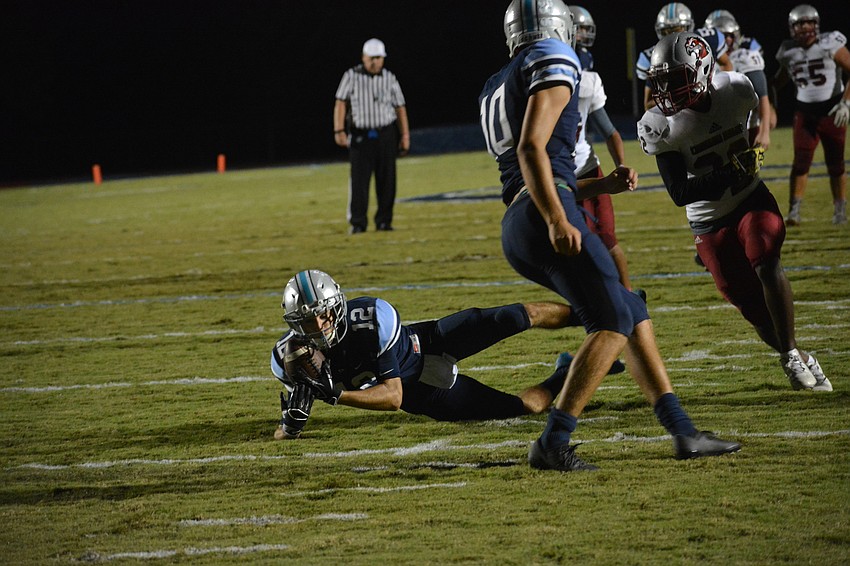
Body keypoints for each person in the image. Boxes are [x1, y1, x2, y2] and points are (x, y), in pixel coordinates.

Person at [478, 0, 740, 471]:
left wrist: (599, 188)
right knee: (612, 321)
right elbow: (532, 149)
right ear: (558, 26)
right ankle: (554, 441)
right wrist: (557, 217)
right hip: (544, 212)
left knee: (630, 309)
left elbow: (534, 171)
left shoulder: (495, 83)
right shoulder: (553, 56)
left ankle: (683, 432)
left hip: (519, 220)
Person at [637, 31, 832, 393]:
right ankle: (800, 356)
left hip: (749, 199)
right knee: (750, 306)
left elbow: (754, 118)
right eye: (661, 81)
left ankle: (790, 354)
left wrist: (755, 144)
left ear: (702, 70)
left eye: (675, 80)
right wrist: (731, 170)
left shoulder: (736, 89)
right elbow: (679, 193)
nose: (665, 91)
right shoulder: (660, 124)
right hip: (707, 220)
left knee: (765, 257)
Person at [271, 269, 591, 439]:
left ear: (337, 305)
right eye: (308, 322)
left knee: (518, 316)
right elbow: (286, 427)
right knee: (525, 407)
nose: (320, 326)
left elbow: (391, 396)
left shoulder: (371, 318)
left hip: (429, 342)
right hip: (424, 394)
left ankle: (597, 316)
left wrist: (337, 395)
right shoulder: (292, 359)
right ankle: (564, 372)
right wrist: (290, 427)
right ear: (294, 325)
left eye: (323, 314)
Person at [570, 4, 634, 292]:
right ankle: (604, 300)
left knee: (606, 239)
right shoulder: (579, 79)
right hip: (565, 176)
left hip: (586, 168)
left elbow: (609, 132)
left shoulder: (585, 79)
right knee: (584, 246)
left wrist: (620, 165)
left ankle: (628, 302)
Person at [770, 4, 850, 226]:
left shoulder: (830, 43)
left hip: (832, 111)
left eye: (809, 22)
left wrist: (846, 103)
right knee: (800, 163)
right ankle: (794, 212)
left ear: (816, 24)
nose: (805, 27)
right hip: (805, 113)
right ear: (792, 28)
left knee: (836, 163)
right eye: (800, 24)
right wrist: (770, 100)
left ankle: (840, 211)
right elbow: (778, 81)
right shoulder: (788, 51)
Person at [333, 38, 410, 234]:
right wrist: (339, 130)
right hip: (361, 135)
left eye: (379, 58)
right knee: (359, 182)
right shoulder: (351, 76)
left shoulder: (389, 77)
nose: (375, 62)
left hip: (386, 134)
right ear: (363, 58)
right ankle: (358, 223)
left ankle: (384, 221)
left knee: (387, 181)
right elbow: (340, 103)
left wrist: (405, 135)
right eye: (372, 58)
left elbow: (399, 107)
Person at [636, 3, 734, 111]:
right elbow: (648, 105)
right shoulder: (656, 56)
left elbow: (726, 64)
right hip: (678, 112)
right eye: (666, 31)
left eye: (677, 29)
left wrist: (721, 89)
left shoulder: (704, 41)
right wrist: (674, 96)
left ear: (688, 27)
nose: (672, 35)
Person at [704, 9, 775, 149]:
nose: (727, 40)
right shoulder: (704, 59)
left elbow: (762, 94)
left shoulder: (745, 55)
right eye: (722, 36)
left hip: (745, 125)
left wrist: (764, 131)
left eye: (730, 36)